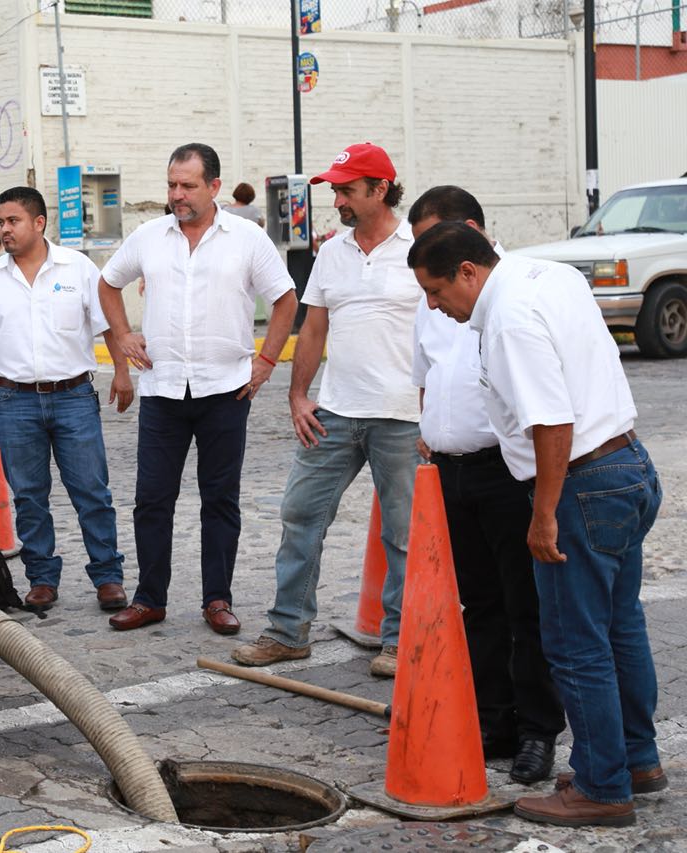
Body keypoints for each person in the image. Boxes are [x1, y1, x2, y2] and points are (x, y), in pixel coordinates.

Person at [409, 222, 665, 828]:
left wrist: (544, 513)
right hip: (626, 463)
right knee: (619, 627)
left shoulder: (507, 321)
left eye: (437, 291)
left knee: (575, 645)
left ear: (468, 272)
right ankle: (635, 759)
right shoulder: (549, 275)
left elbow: (552, 423)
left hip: (581, 483)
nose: (434, 306)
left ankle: (604, 786)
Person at [232, 142, 420, 677]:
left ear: (380, 189)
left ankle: (399, 638)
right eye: (334, 188)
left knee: (403, 534)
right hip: (335, 410)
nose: (336, 198)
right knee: (300, 514)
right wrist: (297, 396)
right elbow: (312, 327)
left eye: (346, 189)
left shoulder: (418, 247)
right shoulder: (333, 252)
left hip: (403, 416)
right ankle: (287, 631)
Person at [98, 142, 297, 635]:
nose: (177, 195)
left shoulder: (247, 239)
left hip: (226, 391)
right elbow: (107, 283)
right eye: (171, 185)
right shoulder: (148, 236)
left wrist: (268, 359)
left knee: (220, 499)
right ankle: (149, 599)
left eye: (187, 185)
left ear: (214, 187)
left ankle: (217, 599)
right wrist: (122, 335)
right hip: (164, 390)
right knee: (152, 499)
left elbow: (286, 299)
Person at [408, 186, 564, 783]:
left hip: (506, 468)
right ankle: (493, 719)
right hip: (452, 471)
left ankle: (537, 731)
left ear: (467, 234)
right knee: (480, 605)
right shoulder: (433, 295)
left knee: (527, 606)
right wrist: (432, 430)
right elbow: (428, 374)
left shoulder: (515, 292)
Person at [0, 186, 134, 613]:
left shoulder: (78, 269)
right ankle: (41, 578)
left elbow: (108, 323)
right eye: (1, 221)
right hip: (15, 402)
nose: (4, 229)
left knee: (91, 490)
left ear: (39, 223)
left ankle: (108, 576)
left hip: (73, 396)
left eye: (13, 221)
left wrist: (124, 373)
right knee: (29, 495)